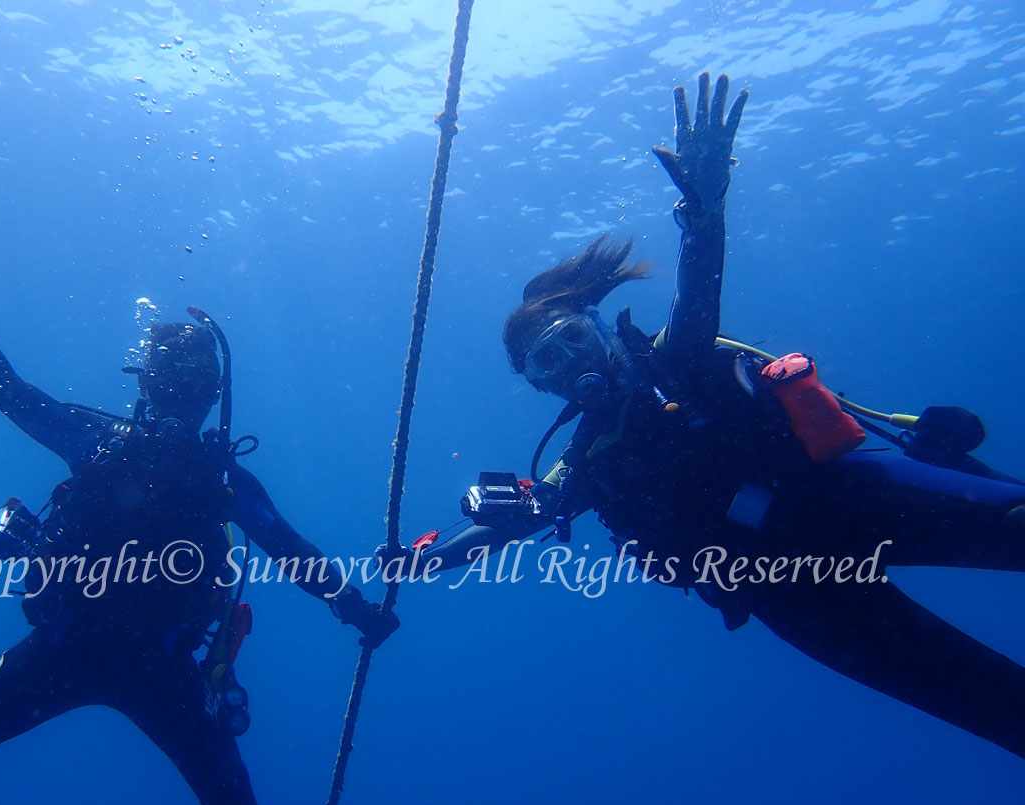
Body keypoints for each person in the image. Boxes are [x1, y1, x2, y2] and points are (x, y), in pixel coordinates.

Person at [419, 73, 1025, 758]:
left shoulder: (677, 359)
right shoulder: (586, 462)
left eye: (573, 341)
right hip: (795, 592)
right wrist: (423, 563)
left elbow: (698, 294)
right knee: (999, 708)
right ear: (537, 387)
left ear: (599, 327)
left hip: (855, 498)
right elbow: (517, 523)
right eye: (548, 364)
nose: (572, 366)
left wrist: (704, 211)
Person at [0, 231, 398, 805]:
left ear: (211, 398)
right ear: (146, 385)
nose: (180, 402)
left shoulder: (220, 478)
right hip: (72, 648)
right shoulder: (102, 445)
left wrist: (355, 607)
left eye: (194, 390)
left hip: (154, 668)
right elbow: (3, 386)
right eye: (168, 386)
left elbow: (291, 550)